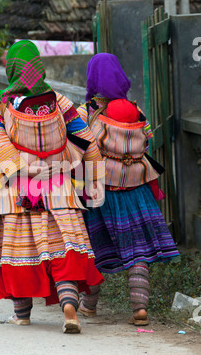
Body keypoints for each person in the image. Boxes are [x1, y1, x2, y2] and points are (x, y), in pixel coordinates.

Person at [0, 40, 105, 334]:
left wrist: (21, 168)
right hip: (59, 186)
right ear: (39, 66)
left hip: (17, 192)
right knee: (64, 251)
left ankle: (22, 314)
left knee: (19, 252)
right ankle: (69, 308)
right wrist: (94, 178)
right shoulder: (61, 102)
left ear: (11, 68)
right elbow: (85, 140)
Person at [77, 53, 180, 326]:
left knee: (94, 246)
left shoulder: (86, 113)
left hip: (102, 192)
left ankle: (88, 305)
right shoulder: (137, 112)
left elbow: (81, 147)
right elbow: (148, 142)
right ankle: (140, 309)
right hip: (137, 190)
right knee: (138, 250)